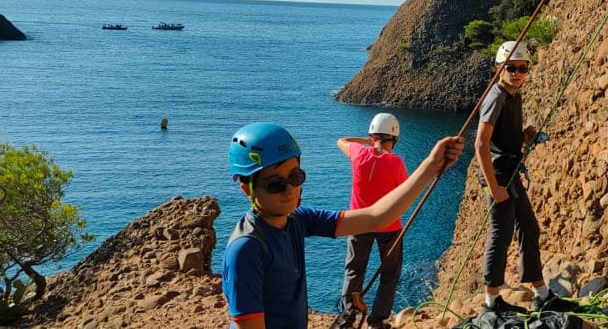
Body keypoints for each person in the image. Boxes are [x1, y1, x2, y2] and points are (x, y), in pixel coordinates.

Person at [221, 122, 463, 329]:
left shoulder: (296, 220)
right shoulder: (246, 249)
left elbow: (376, 217)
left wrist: (431, 166)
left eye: (296, 177)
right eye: (275, 184)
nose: (290, 190)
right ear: (247, 189)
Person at [475, 41, 568, 314]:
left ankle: (541, 293)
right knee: (500, 235)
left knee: (529, 227)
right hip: (499, 175)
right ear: (499, 68)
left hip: (509, 171)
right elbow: (481, 144)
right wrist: (494, 187)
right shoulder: (497, 97)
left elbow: (501, 139)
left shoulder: (513, 94)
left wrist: (524, 137)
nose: (516, 73)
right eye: (511, 68)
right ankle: (490, 302)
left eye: (522, 68)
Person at [336, 113, 408, 329]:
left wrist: (366, 142)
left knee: (354, 271)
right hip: (389, 226)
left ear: (372, 135)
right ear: (393, 139)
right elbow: (404, 192)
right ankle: (377, 322)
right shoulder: (396, 162)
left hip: (358, 223)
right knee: (389, 275)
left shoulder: (358, 154)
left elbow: (341, 141)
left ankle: (347, 319)